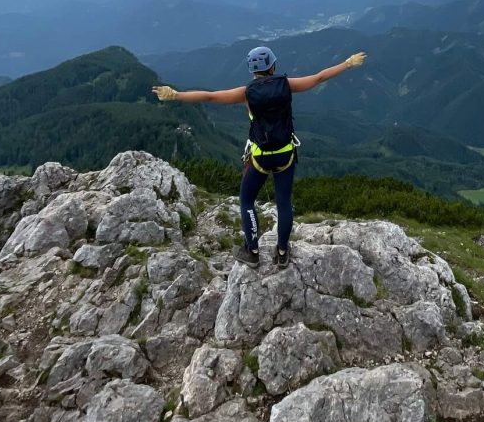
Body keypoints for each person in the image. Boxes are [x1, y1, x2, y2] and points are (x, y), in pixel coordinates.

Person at [152, 47, 367, 267]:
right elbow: (320, 77)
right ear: (272, 66)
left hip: (260, 157)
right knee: (283, 202)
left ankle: (252, 250)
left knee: (247, 200)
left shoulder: (247, 93)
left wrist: (175, 95)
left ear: (252, 70)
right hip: (285, 154)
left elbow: (210, 96)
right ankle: (282, 252)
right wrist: (347, 63)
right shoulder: (286, 84)